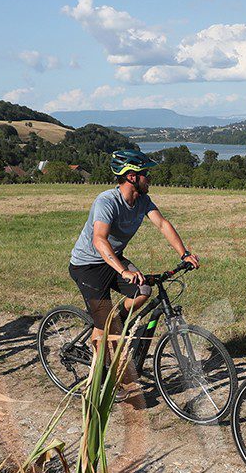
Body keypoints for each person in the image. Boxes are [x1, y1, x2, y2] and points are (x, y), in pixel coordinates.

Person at [67, 146, 198, 381]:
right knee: (105, 325)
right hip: (87, 266)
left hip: (113, 260)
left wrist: (184, 253)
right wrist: (123, 271)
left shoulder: (143, 200)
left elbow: (162, 224)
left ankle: (111, 323)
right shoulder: (107, 201)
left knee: (144, 289)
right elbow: (99, 239)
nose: (150, 178)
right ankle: (98, 379)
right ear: (132, 176)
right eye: (146, 173)